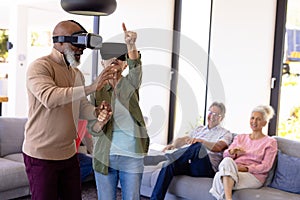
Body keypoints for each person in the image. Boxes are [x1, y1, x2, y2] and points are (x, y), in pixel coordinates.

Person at [23, 20, 115, 200]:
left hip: (69, 154)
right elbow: (49, 98)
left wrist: (96, 112)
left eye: (82, 45)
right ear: (59, 42)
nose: (80, 50)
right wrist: (91, 88)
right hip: (41, 155)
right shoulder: (40, 66)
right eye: (76, 44)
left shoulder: (76, 74)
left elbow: (80, 107)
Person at [87, 23, 150, 200]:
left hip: (132, 156)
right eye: (109, 56)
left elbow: (136, 68)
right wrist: (100, 121)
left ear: (124, 65)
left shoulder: (130, 84)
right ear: (102, 62)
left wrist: (130, 45)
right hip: (104, 155)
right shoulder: (96, 90)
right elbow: (93, 129)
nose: (115, 59)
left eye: (121, 58)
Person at [150, 102, 233, 200]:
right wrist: (173, 144)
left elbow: (219, 147)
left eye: (215, 114)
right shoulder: (199, 129)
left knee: (198, 147)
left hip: (207, 168)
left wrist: (201, 141)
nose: (211, 116)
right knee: (169, 164)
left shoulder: (225, 133)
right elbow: (184, 140)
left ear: (221, 118)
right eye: (210, 112)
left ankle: (171, 156)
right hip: (191, 164)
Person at [209, 105, 278, 200]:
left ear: (264, 123)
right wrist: (232, 152)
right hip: (233, 170)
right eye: (252, 118)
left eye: (258, 119)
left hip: (254, 176)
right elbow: (225, 155)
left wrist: (246, 168)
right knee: (227, 160)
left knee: (219, 176)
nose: (254, 121)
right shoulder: (240, 137)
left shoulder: (270, 142)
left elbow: (266, 166)